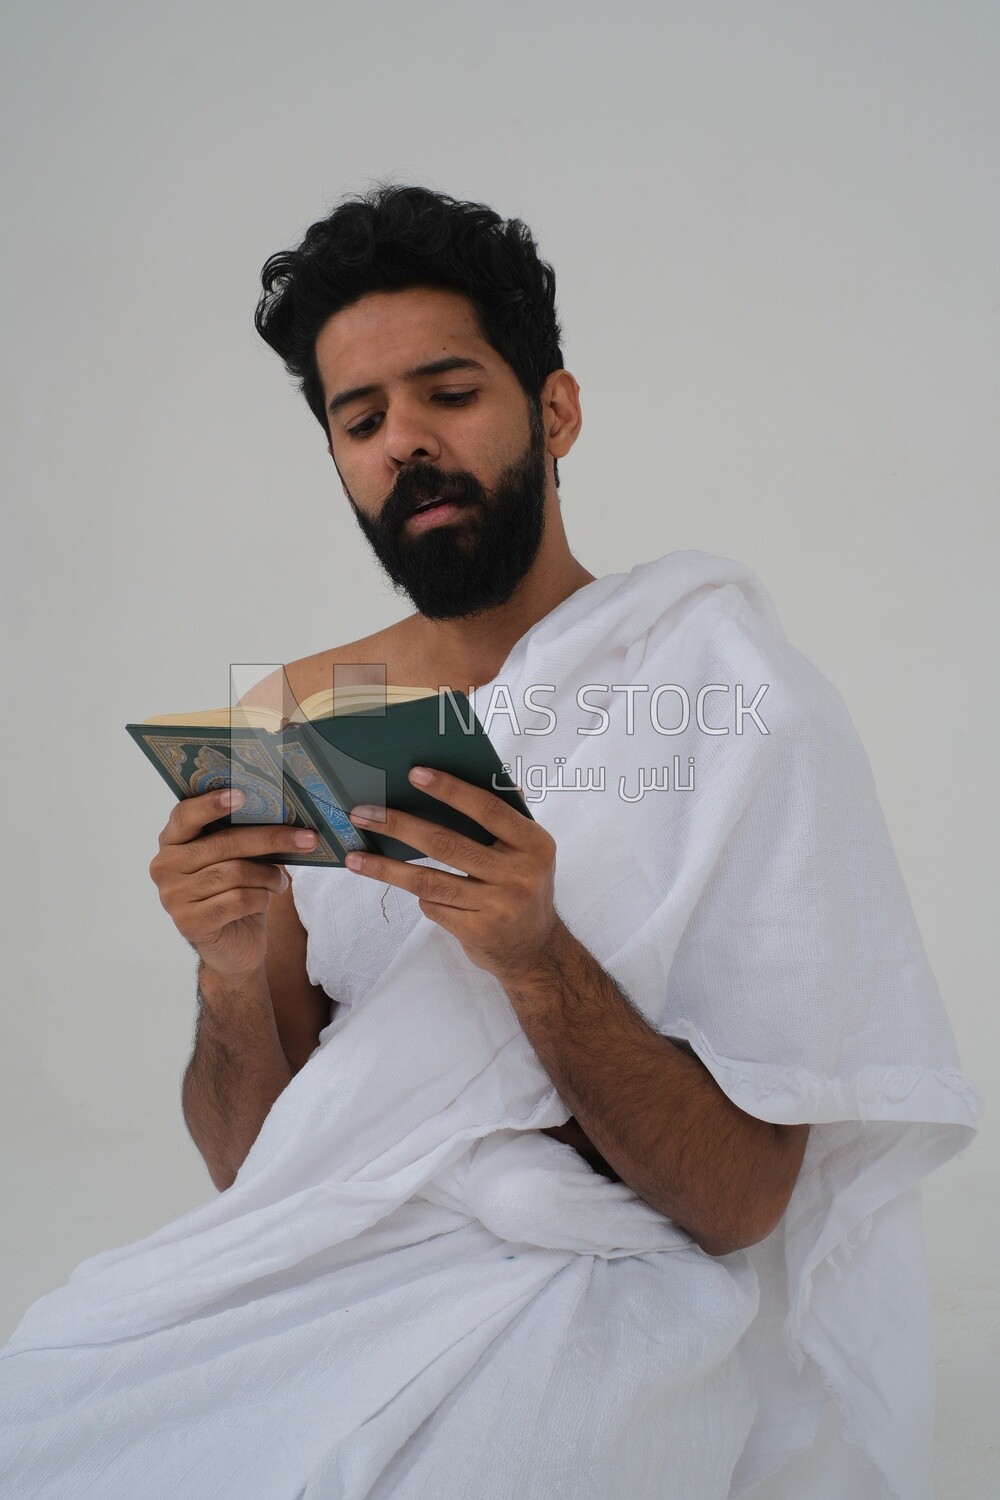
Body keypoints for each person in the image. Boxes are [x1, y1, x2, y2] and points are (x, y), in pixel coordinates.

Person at [0, 184, 982, 1500]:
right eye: (362, 419)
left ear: (555, 410)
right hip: (323, 1277)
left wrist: (536, 959)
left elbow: (744, 1200)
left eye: (448, 392)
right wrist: (234, 968)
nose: (405, 442)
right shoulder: (293, 716)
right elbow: (265, 1174)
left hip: (602, 1281)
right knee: (48, 1397)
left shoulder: (728, 689)